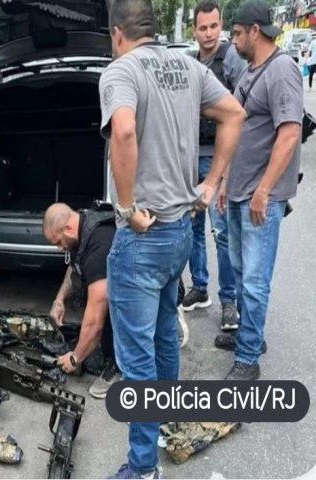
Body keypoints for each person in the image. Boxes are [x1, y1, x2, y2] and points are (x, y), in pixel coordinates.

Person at [99, 1, 245, 478]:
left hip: (142, 238)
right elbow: (234, 114)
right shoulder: (187, 65)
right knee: (164, 336)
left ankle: (143, 468)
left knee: (136, 359)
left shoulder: (120, 71)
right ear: (153, 28)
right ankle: (164, 423)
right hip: (181, 230)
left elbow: (123, 131)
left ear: (117, 33)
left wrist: (125, 207)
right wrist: (212, 183)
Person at [214, 0, 303, 381]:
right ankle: (252, 336)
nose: (231, 40)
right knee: (239, 272)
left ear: (255, 30)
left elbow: (290, 134)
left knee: (254, 280)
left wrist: (265, 191)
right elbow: (236, 128)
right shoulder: (251, 70)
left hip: (259, 199)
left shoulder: (282, 70)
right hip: (238, 192)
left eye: (236, 32)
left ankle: (248, 358)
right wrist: (223, 181)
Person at [182, 0, 247, 332]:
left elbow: (240, 111)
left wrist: (228, 169)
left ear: (220, 26)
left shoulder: (231, 58)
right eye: (202, 28)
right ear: (194, 30)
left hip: (218, 158)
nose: (208, 33)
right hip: (193, 155)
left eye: (213, 26)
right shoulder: (192, 63)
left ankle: (229, 302)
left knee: (221, 232)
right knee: (193, 226)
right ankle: (200, 287)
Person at [43, 203, 120, 399]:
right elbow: (75, 266)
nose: (60, 249)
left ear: (67, 229)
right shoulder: (83, 222)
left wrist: (75, 358)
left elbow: (95, 320)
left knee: (107, 310)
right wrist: (59, 300)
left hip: (147, 291)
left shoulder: (98, 248)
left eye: (58, 242)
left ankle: (120, 367)